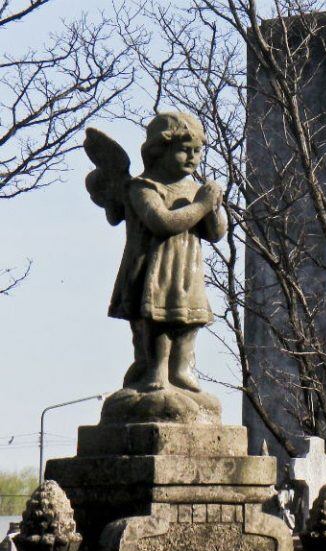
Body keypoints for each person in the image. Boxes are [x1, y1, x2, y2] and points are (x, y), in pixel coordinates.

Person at [85, 112, 226, 393]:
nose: (193, 158)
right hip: (154, 271)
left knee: (189, 323)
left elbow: (216, 233)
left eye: (198, 151)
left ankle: (181, 370)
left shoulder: (195, 190)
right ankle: (156, 370)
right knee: (157, 322)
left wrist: (214, 207)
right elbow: (161, 223)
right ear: (159, 151)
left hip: (187, 272)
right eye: (185, 151)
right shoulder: (143, 188)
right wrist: (200, 206)